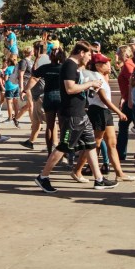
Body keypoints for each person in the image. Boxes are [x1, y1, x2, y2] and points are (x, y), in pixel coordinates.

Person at [34, 41, 117, 192]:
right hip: (72, 114)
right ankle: (43, 177)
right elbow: (70, 88)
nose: (90, 58)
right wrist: (90, 83)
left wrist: (89, 85)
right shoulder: (69, 66)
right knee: (64, 146)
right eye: (89, 55)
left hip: (80, 113)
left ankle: (99, 179)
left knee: (90, 144)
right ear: (81, 53)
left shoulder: (74, 67)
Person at [84, 52, 135, 183]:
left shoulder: (101, 76)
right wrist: (119, 112)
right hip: (98, 111)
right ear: (98, 65)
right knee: (95, 143)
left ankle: (119, 173)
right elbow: (104, 99)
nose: (109, 65)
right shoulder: (96, 78)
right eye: (105, 63)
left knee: (112, 143)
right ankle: (78, 170)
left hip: (104, 112)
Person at [25, 46, 65, 151]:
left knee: (50, 126)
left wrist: (37, 59)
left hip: (48, 96)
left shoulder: (45, 67)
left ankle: (49, 151)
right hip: (61, 97)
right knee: (63, 125)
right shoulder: (64, 68)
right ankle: (63, 148)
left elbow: (34, 73)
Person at [0, 52, 21, 127]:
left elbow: (5, 78)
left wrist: (2, 76)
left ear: (9, 62)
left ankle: (10, 118)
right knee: (16, 102)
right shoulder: (16, 68)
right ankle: (17, 117)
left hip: (9, 87)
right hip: (16, 86)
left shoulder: (8, 69)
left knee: (9, 103)